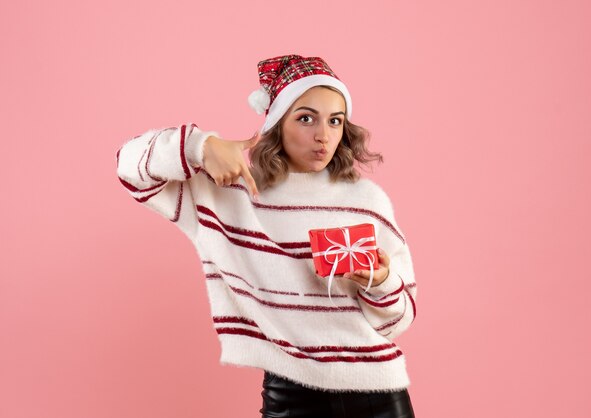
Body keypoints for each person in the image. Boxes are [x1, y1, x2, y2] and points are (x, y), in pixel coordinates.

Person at [116, 54, 418, 418]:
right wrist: (201, 146)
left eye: (335, 121)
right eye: (306, 118)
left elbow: (396, 322)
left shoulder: (367, 201)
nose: (323, 135)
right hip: (291, 393)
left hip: (377, 393)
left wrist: (381, 281)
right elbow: (129, 167)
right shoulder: (228, 192)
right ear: (276, 122)